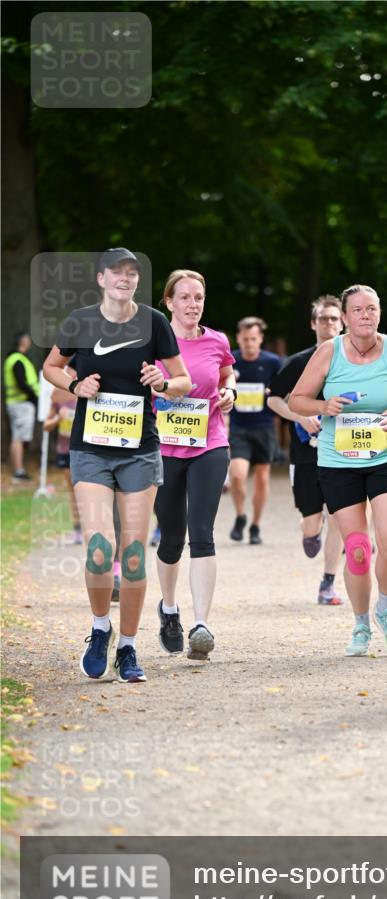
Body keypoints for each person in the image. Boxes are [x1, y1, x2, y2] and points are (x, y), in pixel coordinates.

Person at [43, 248, 191, 684]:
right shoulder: (81, 320)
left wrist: (163, 383)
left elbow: (183, 380)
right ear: (102, 278)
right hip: (91, 450)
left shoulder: (154, 323)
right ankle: (99, 628)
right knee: (99, 548)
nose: (125, 279)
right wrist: (74, 383)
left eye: (133, 274)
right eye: (117, 273)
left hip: (140, 452)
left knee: (131, 554)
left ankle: (127, 646)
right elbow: (51, 366)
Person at [290, 284, 387, 655]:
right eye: (358, 310)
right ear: (346, 317)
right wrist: (324, 405)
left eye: (372, 309)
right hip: (339, 460)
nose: (366, 316)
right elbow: (296, 401)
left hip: (386, 454)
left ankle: (385, 608)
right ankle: (361, 624)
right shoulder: (328, 352)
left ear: (379, 314)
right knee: (357, 549)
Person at [153, 269, 236, 661]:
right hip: (164, 449)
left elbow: (226, 372)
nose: (192, 304)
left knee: (202, 530)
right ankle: (169, 609)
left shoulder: (217, 340)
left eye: (198, 297)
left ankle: (201, 625)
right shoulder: (154, 341)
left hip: (209, 443)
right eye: (184, 297)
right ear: (169, 302)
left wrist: (230, 390)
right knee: (171, 536)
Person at [267, 295, 345, 605]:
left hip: (343, 452)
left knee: (340, 516)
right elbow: (273, 398)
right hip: (306, 453)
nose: (329, 323)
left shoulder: (354, 360)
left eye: (334, 319)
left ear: (343, 323)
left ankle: (328, 584)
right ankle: (310, 527)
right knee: (313, 522)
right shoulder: (299, 362)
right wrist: (299, 416)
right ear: (313, 324)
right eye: (323, 318)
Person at [228, 317, 283, 544]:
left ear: (260, 339)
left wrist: (274, 391)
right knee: (237, 475)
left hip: (264, 427)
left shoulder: (273, 362)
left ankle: (255, 525)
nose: (249, 343)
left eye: (253, 339)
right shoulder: (230, 360)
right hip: (239, 427)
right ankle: (241, 515)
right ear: (239, 338)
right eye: (245, 339)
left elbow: (284, 388)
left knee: (262, 477)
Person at [42, 372, 81, 544]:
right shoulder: (58, 396)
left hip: (85, 449)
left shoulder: (87, 392)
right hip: (66, 450)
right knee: (73, 491)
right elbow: (46, 426)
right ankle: (78, 528)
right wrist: (59, 418)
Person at [4, 332, 39, 481]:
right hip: (22, 403)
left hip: (16, 403)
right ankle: (18, 470)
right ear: (24, 342)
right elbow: (22, 383)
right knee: (18, 437)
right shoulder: (18, 360)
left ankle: (18, 468)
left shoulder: (13, 359)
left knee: (18, 436)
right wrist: (33, 396)